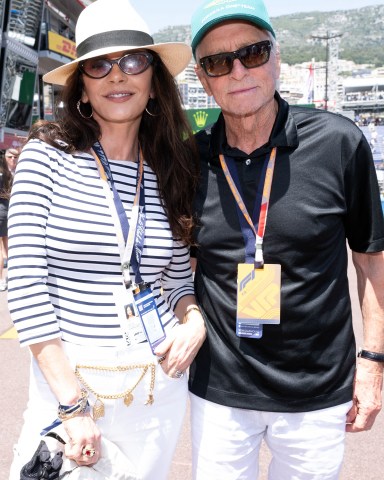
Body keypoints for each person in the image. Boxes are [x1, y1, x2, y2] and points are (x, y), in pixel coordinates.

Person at [8, 1, 206, 479]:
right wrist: (73, 409)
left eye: (133, 60)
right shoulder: (46, 156)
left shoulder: (169, 168)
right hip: (68, 390)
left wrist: (194, 318)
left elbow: (178, 280)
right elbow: (26, 286)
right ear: (83, 85)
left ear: (155, 79)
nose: (117, 76)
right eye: (99, 65)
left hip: (156, 391)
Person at [188, 0, 384, 478]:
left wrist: (373, 362)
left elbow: (371, 262)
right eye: (217, 62)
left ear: (277, 57)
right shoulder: (188, 160)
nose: (237, 71)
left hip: (317, 390)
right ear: (203, 77)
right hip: (220, 392)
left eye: (252, 52)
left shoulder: (340, 143)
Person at [0, 150, 16, 291]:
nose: (12, 159)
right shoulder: (15, 173)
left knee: (3, 248)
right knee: (6, 246)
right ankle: (9, 278)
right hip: (9, 213)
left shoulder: (7, 174)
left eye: (15, 157)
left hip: (5, 213)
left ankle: (1, 280)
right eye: (10, 157)